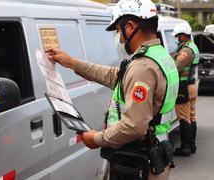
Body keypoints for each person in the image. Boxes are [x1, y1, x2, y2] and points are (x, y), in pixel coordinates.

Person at [46, 0, 179, 179]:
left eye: (118, 30)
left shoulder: (143, 67)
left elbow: (134, 127)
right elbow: (116, 76)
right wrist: (72, 63)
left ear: (130, 27)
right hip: (156, 151)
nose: (119, 37)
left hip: (139, 160)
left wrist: (96, 138)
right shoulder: (160, 56)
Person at [171, 23, 200, 156]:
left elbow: (175, 68)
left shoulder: (186, 51)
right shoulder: (193, 47)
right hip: (192, 84)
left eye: (178, 36)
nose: (177, 38)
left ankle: (185, 147)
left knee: (183, 117)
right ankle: (192, 145)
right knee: (191, 116)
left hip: (184, 86)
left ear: (183, 36)